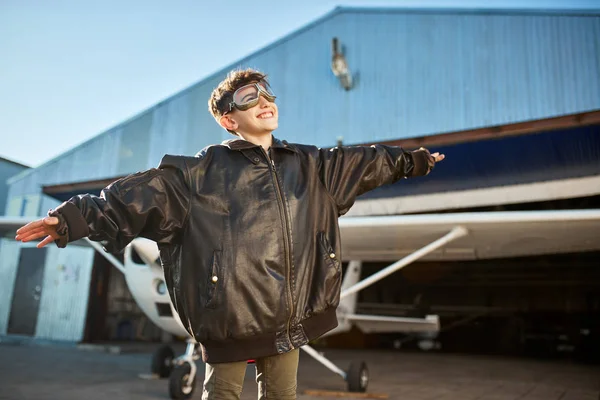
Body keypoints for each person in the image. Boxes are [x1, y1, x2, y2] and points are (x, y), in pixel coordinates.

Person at [15, 68, 445, 399]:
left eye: (268, 94)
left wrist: (413, 161)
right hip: (230, 317)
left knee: (283, 395)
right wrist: (72, 219)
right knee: (222, 394)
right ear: (227, 120)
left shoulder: (310, 166)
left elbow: (365, 162)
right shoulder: (196, 174)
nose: (265, 102)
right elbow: (134, 197)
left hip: (290, 317)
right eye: (249, 96)